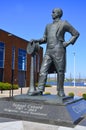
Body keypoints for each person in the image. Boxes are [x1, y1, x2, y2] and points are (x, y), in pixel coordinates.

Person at [31, 8, 79, 96]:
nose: (51, 14)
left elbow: (76, 34)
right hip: (48, 51)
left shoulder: (64, 23)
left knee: (60, 71)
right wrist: (36, 41)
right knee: (42, 70)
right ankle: (40, 89)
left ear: (58, 13)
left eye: (53, 12)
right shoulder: (48, 26)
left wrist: (67, 43)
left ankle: (60, 90)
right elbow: (44, 39)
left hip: (59, 50)